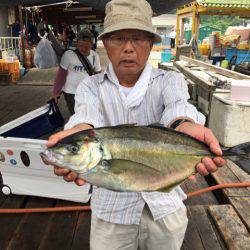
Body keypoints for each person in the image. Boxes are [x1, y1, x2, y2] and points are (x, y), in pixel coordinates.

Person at [46, 0, 226, 249]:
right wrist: (79, 132)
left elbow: (177, 106)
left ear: (150, 44)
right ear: (105, 44)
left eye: (139, 39)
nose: (128, 48)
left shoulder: (169, 80)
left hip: (165, 209)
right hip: (111, 213)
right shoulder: (91, 86)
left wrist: (183, 124)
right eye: (118, 39)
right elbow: (86, 117)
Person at [52, 30, 101, 115]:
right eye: (81, 45)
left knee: (88, 113)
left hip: (88, 91)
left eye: (87, 46)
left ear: (91, 45)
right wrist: (55, 92)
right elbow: (61, 75)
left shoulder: (95, 56)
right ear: (76, 43)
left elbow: (98, 75)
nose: (83, 49)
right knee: (76, 114)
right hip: (71, 92)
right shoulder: (68, 55)